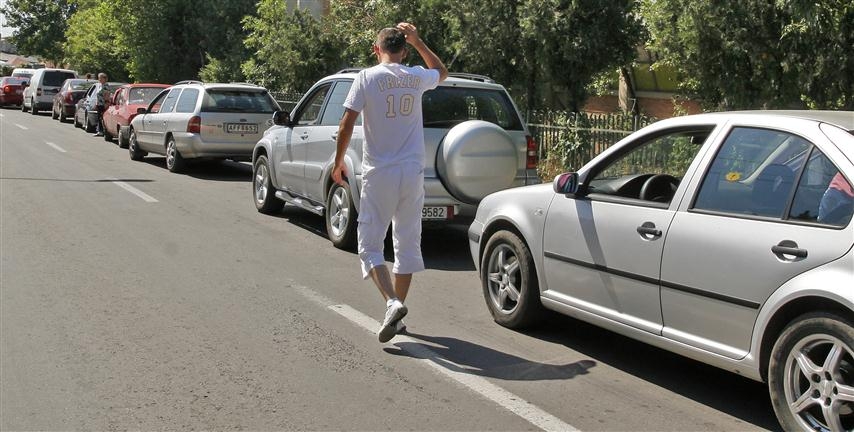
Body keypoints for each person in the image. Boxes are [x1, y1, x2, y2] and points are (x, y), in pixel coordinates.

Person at [332, 22, 448, 343]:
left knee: (369, 245)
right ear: (405, 50)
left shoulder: (366, 78)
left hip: (380, 173)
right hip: (411, 174)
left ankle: (393, 303)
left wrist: (339, 161)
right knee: (406, 246)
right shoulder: (415, 76)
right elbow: (441, 71)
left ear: (376, 49)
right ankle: (395, 315)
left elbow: (346, 123)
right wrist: (419, 39)